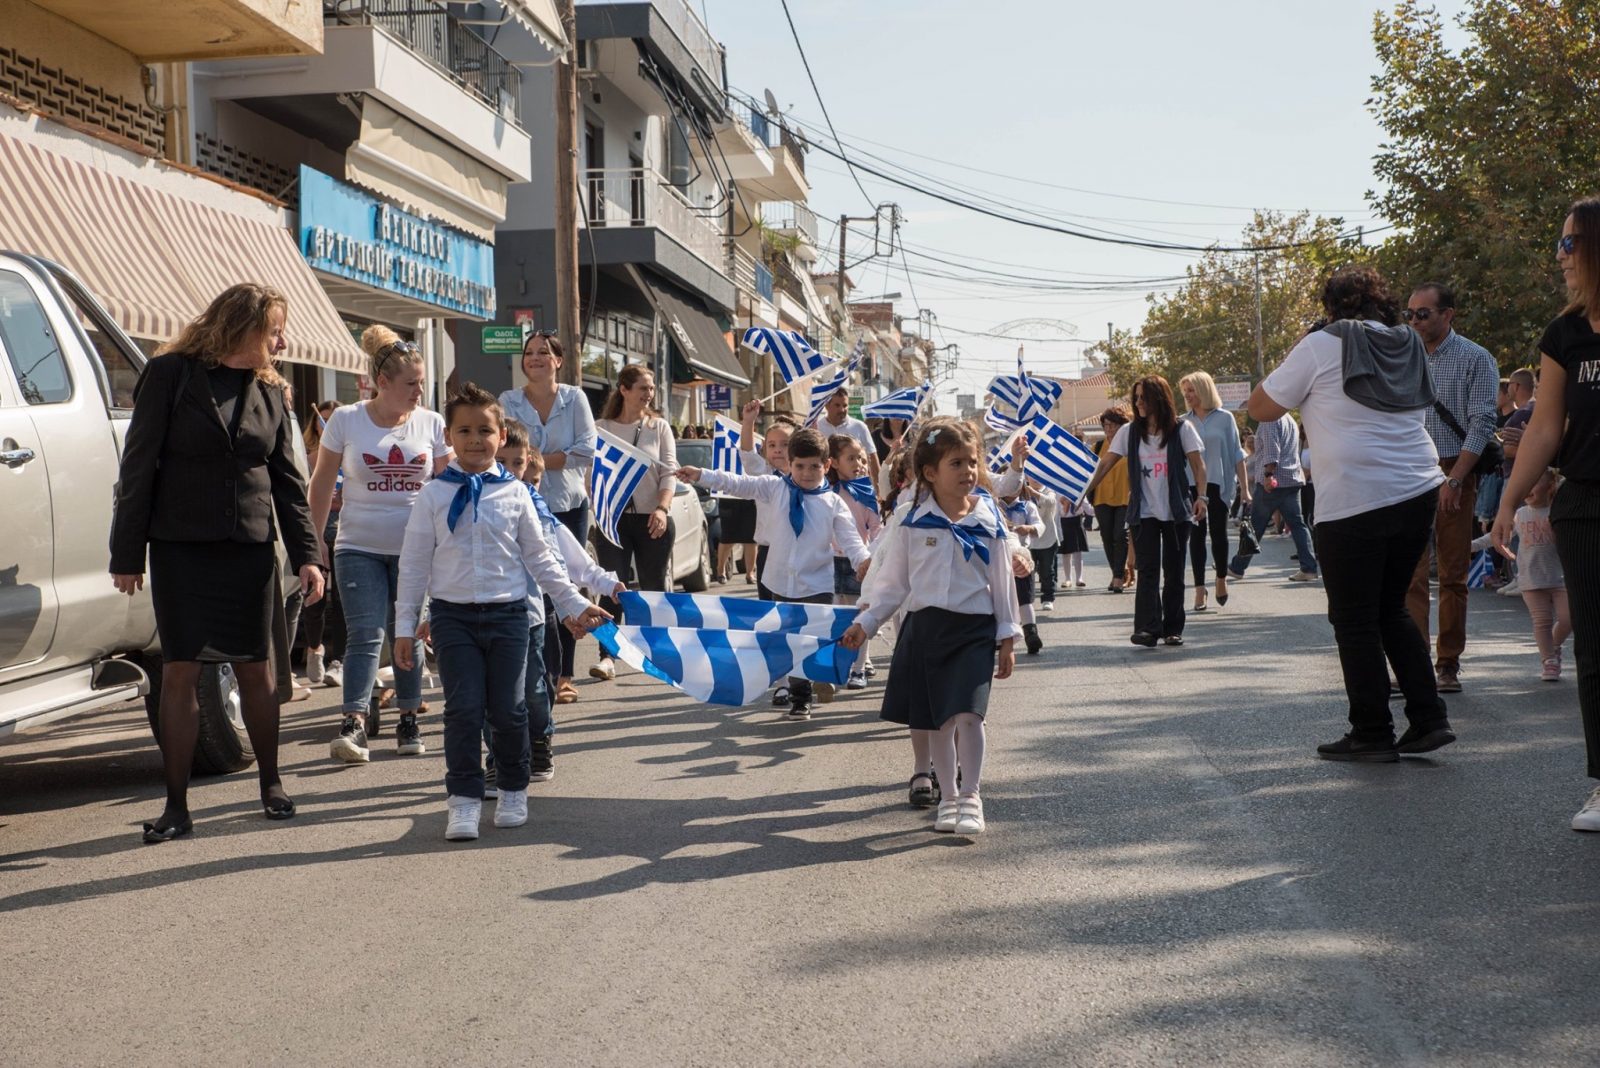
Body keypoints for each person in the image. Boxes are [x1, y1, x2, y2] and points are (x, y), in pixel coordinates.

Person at [109, 283, 325, 842]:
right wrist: (126, 552)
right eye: (274, 331)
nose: (281, 343)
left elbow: (288, 483)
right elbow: (138, 465)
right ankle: (176, 807)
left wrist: (308, 556)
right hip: (181, 549)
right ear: (242, 328)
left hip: (248, 549)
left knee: (257, 668)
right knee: (180, 670)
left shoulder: (271, 391)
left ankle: (272, 784)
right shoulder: (170, 374)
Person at [1250, 265, 1450, 762]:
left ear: (1331, 306)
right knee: (1390, 608)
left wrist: (1301, 343)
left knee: (1355, 619)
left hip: (1355, 496)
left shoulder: (1320, 345)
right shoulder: (1408, 342)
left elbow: (1260, 407)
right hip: (1417, 486)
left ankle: (1371, 732)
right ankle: (1429, 718)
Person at [394, 384, 610, 842]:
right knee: (463, 710)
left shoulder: (515, 494)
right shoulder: (432, 496)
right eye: (464, 431)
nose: (475, 439)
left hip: (509, 615)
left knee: (510, 710)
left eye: (485, 430)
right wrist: (404, 627)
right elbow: (413, 565)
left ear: (501, 435)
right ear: (449, 436)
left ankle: (513, 788)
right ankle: (463, 800)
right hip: (452, 617)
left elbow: (541, 560)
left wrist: (575, 603)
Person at [841, 418, 1019, 836]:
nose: (968, 471)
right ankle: (949, 799)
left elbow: (1002, 582)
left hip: (974, 631)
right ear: (930, 472)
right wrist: (866, 623)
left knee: (970, 715)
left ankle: (971, 796)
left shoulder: (988, 519)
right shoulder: (912, 523)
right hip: (927, 629)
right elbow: (893, 585)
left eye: (972, 462)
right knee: (940, 720)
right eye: (956, 463)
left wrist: (1008, 637)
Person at [1492, 197, 1600, 829]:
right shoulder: (1565, 334)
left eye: (1568, 242)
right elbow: (1543, 428)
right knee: (1596, 648)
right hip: (1585, 504)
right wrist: (1508, 502)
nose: (1559, 255)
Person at [308, 326, 449, 763]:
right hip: (358, 546)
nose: (419, 391)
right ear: (382, 382)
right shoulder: (346, 420)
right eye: (412, 384)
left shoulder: (431, 423)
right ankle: (353, 722)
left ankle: (408, 718)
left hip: (415, 551)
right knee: (366, 634)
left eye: (422, 383)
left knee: (407, 632)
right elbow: (321, 484)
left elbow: (450, 485)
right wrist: (313, 545)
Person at [680, 428, 870, 718]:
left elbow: (850, 539)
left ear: (827, 465)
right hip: (780, 582)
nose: (806, 473)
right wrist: (701, 475)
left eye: (814, 466)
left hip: (816, 584)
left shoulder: (833, 503)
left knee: (814, 636)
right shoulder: (774, 487)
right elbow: (738, 483)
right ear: (789, 464)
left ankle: (822, 674)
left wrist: (863, 561)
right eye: (799, 466)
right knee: (789, 641)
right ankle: (800, 697)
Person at [493, 422, 623, 789]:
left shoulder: (540, 514)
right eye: (502, 463)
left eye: (519, 465)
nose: (512, 473)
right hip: (491, 614)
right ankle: (497, 758)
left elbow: (572, 562)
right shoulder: (475, 505)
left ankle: (539, 740)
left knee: (539, 690)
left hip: (538, 614)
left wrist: (606, 585)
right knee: (496, 692)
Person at [1406, 281, 1499, 695]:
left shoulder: (1476, 358)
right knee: (1409, 574)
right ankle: (1412, 663)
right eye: (1409, 314)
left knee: (1453, 574)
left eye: (1422, 314)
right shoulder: (1404, 357)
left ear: (1447, 315)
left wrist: (1457, 478)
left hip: (1454, 468)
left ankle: (1447, 664)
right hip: (1410, 471)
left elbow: (1482, 422)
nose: (1414, 321)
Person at [499, 333, 596, 705]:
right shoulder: (508, 400)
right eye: (528, 353)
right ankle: (533, 674)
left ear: (558, 360)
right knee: (530, 590)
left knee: (565, 589)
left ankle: (564, 675)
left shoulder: (575, 398)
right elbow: (503, 449)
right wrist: (547, 458)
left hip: (568, 505)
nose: (534, 358)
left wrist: (533, 460)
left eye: (543, 352)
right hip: (519, 505)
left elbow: (586, 451)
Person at [1083, 377, 1207, 647]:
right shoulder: (1128, 432)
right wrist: (1081, 492)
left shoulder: (1182, 429)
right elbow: (1105, 465)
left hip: (1177, 511)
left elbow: (1199, 466)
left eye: (1143, 398)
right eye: (1136, 397)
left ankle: (1172, 628)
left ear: (1158, 398)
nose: (1138, 403)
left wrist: (1202, 497)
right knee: (1147, 570)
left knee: (1173, 571)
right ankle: (1148, 629)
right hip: (1143, 512)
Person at [591, 365, 678, 686]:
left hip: (652, 519)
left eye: (652, 388)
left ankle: (657, 652)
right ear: (624, 390)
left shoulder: (659, 427)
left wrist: (662, 508)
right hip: (612, 520)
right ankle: (607, 655)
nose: (649, 394)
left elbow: (669, 472)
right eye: (643, 387)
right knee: (612, 588)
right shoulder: (601, 428)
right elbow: (592, 473)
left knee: (653, 589)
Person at [1180, 372, 1249, 611]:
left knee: (1219, 534)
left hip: (1218, 483)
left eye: (1192, 390)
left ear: (1204, 390)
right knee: (1196, 537)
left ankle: (1221, 577)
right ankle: (1200, 589)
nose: (1188, 395)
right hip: (1191, 484)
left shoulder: (1225, 418)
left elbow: (1238, 454)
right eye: (1185, 391)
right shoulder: (1182, 422)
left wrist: (1245, 490)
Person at [1227, 410, 1317, 583]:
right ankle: (1309, 568)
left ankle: (1237, 567)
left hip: (1273, 482)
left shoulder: (1269, 419)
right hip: (1292, 479)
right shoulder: (1289, 419)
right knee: (1298, 525)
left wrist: (1268, 475)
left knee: (1255, 526)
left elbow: (1271, 451)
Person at [826, 433, 882, 689]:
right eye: (851, 458)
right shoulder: (828, 493)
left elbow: (876, 528)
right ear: (834, 462)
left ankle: (859, 668)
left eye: (861, 458)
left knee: (861, 615)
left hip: (859, 563)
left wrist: (875, 556)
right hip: (831, 561)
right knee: (836, 617)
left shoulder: (866, 493)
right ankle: (838, 667)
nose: (859, 463)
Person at [298, 400, 343, 689]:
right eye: (322, 419)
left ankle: (339, 661)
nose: (326, 424)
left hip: (346, 532)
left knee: (343, 600)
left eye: (333, 419)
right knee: (315, 596)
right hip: (317, 532)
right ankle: (315, 648)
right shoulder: (308, 459)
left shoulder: (352, 456)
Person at [1495, 367, 1539, 595]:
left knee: (1514, 526)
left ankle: (1521, 576)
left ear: (1516, 386)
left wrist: (1504, 447)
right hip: (1525, 475)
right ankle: (1519, 575)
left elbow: (1510, 449)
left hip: (1517, 475)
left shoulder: (1523, 413)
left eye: (1510, 384)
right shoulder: (1532, 409)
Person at [1090, 407, 1132, 592]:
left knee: (1120, 536)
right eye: (1106, 425)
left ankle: (1118, 577)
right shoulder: (1097, 447)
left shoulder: (1130, 445)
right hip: (1102, 498)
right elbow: (1090, 473)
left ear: (1122, 426)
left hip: (1125, 497)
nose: (1109, 429)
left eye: (1113, 425)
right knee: (1107, 537)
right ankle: (1118, 572)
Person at [1000, 488, 1044, 654]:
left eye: (1019, 483)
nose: (1015, 487)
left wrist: (1029, 528)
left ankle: (1031, 633)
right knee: (1002, 598)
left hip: (1023, 556)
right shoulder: (993, 504)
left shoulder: (1027, 506)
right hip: (1000, 558)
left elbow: (1040, 525)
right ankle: (1002, 636)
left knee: (1025, 598)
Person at [815, 388, 880, 482]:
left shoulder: (859, 427)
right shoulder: (817, 427)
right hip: (826, 483)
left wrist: (878, 486)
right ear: (827, 405)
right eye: (837, 405)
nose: (842, 409)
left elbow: (872, 457)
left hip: (857, 485)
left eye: (845, 405)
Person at [1029, 481, 1061, 609]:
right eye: (1032, 475)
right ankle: (1027, 599)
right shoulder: (1021, 490)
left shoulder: (1049, 491)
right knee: (1027, 572)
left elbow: (1051, 502)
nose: (1035, 479)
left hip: (1047, 539)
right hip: (1029, 540)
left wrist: (1035, 494)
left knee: (1047, 571)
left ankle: (1048, 598)